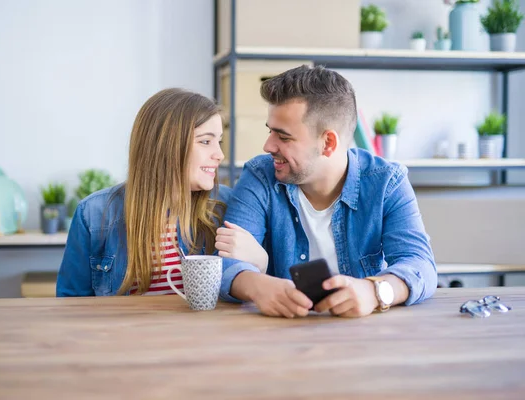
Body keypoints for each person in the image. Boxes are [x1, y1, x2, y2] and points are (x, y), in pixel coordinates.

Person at [216, 65, 437, 318]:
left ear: (328, 143)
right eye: (270, 131)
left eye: (284, 137)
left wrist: (374, 292)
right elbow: (224, 261)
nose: (268, 146)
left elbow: (420, 265)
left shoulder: (387, 182)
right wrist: (258, 287)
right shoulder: (260, 176)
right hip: (279, 336)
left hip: (364, 338)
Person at [57, 88, 267, 297]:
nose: (219, 155)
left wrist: (260, 262)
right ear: (166, 146)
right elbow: (71, 306)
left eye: (218, 141)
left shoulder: (229, 207)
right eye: (205, 141)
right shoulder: (93, 214)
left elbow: (248, 298)